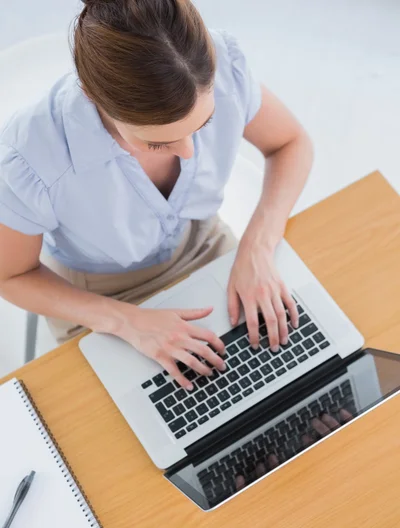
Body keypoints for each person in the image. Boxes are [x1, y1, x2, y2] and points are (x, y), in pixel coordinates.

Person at [0, 0, 313, 389]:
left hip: (204, 246)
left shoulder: (221, 65)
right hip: (99, 296)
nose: (189, 152)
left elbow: (290, 143)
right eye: (158, 143)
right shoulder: (33, 155)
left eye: (205, 122)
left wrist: (258, 247)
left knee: (287, 381)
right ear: (91, 98)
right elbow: (11, 275)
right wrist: (125, 320)